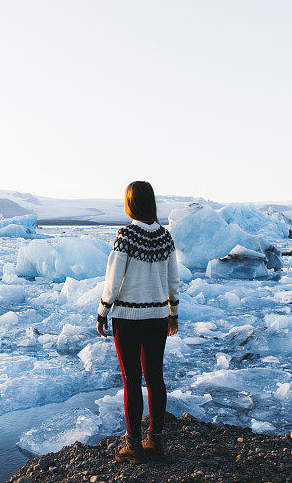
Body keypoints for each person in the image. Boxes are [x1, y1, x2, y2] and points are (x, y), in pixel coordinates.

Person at [96, 181, 180, 464]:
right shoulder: (165, 237)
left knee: (132, 381)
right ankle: (155, 439)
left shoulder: (126, 236)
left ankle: (133, 444)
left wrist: (103, 311)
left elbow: (113, 278)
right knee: (155, 378)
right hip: (157, 319)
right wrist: (173, 312)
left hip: (128, 320)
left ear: (130, 203)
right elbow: (173, 279)